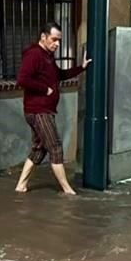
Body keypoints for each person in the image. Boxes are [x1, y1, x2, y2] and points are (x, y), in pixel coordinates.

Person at [14, 22, 91, 195]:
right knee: (55, 147)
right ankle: (67, 190)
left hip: (43, 110)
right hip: (38, 111)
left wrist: (81, 68)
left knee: (39, 149)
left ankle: (21, 186)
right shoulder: (34, 54)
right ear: (43, 37)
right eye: (54, 39)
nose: (57, 44)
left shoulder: (47, 56)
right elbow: (22, 79)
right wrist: (45, 89)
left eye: (59, 40)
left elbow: (59, 75)